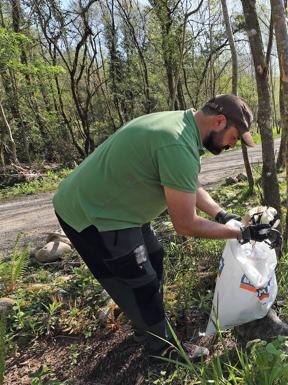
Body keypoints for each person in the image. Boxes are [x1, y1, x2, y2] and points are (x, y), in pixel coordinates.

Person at [52, 94, 276, 357]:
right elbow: (185, 224)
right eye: (234, 138)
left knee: (154, 257)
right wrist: (242, 232)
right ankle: (162, 349)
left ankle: (147, 327)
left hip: (121, 208)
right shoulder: (176, 144)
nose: (231, 145)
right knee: (140, 280)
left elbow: (187, 183)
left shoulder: (184, 126)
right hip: (92, 213)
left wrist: (222, 215)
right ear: (219, 121)